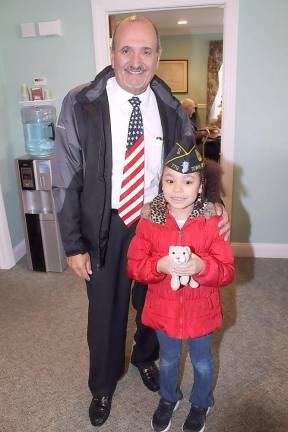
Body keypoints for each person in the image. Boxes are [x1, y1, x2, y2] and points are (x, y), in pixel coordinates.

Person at [51, 14, 230, 427]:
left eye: (146, 51)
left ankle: (147, 358)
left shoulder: (169, 106)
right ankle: (102, 385)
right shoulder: (81, 103)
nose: (136, 60)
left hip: (157, 219)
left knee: (156, 300)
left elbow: (194, 166)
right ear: (112, 54)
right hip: (105, 223)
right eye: (126, 49)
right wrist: (74, 244)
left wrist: (214, 201)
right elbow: (65, 178)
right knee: (105, 311)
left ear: (158, 56)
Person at [127, 137, 234, 432]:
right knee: (170, 360)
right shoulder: (149, 220)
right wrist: (158, 266)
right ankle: (168, 397)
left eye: (188, 182)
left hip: (202, 311)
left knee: (202, 361)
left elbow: (226, 271)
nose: (177, 189)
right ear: (160, 182)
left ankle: (202, 401)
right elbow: (134, 266)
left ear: (201, 187)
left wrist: (203, 267)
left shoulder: (213, 221)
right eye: (170, 180)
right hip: (163, 310)